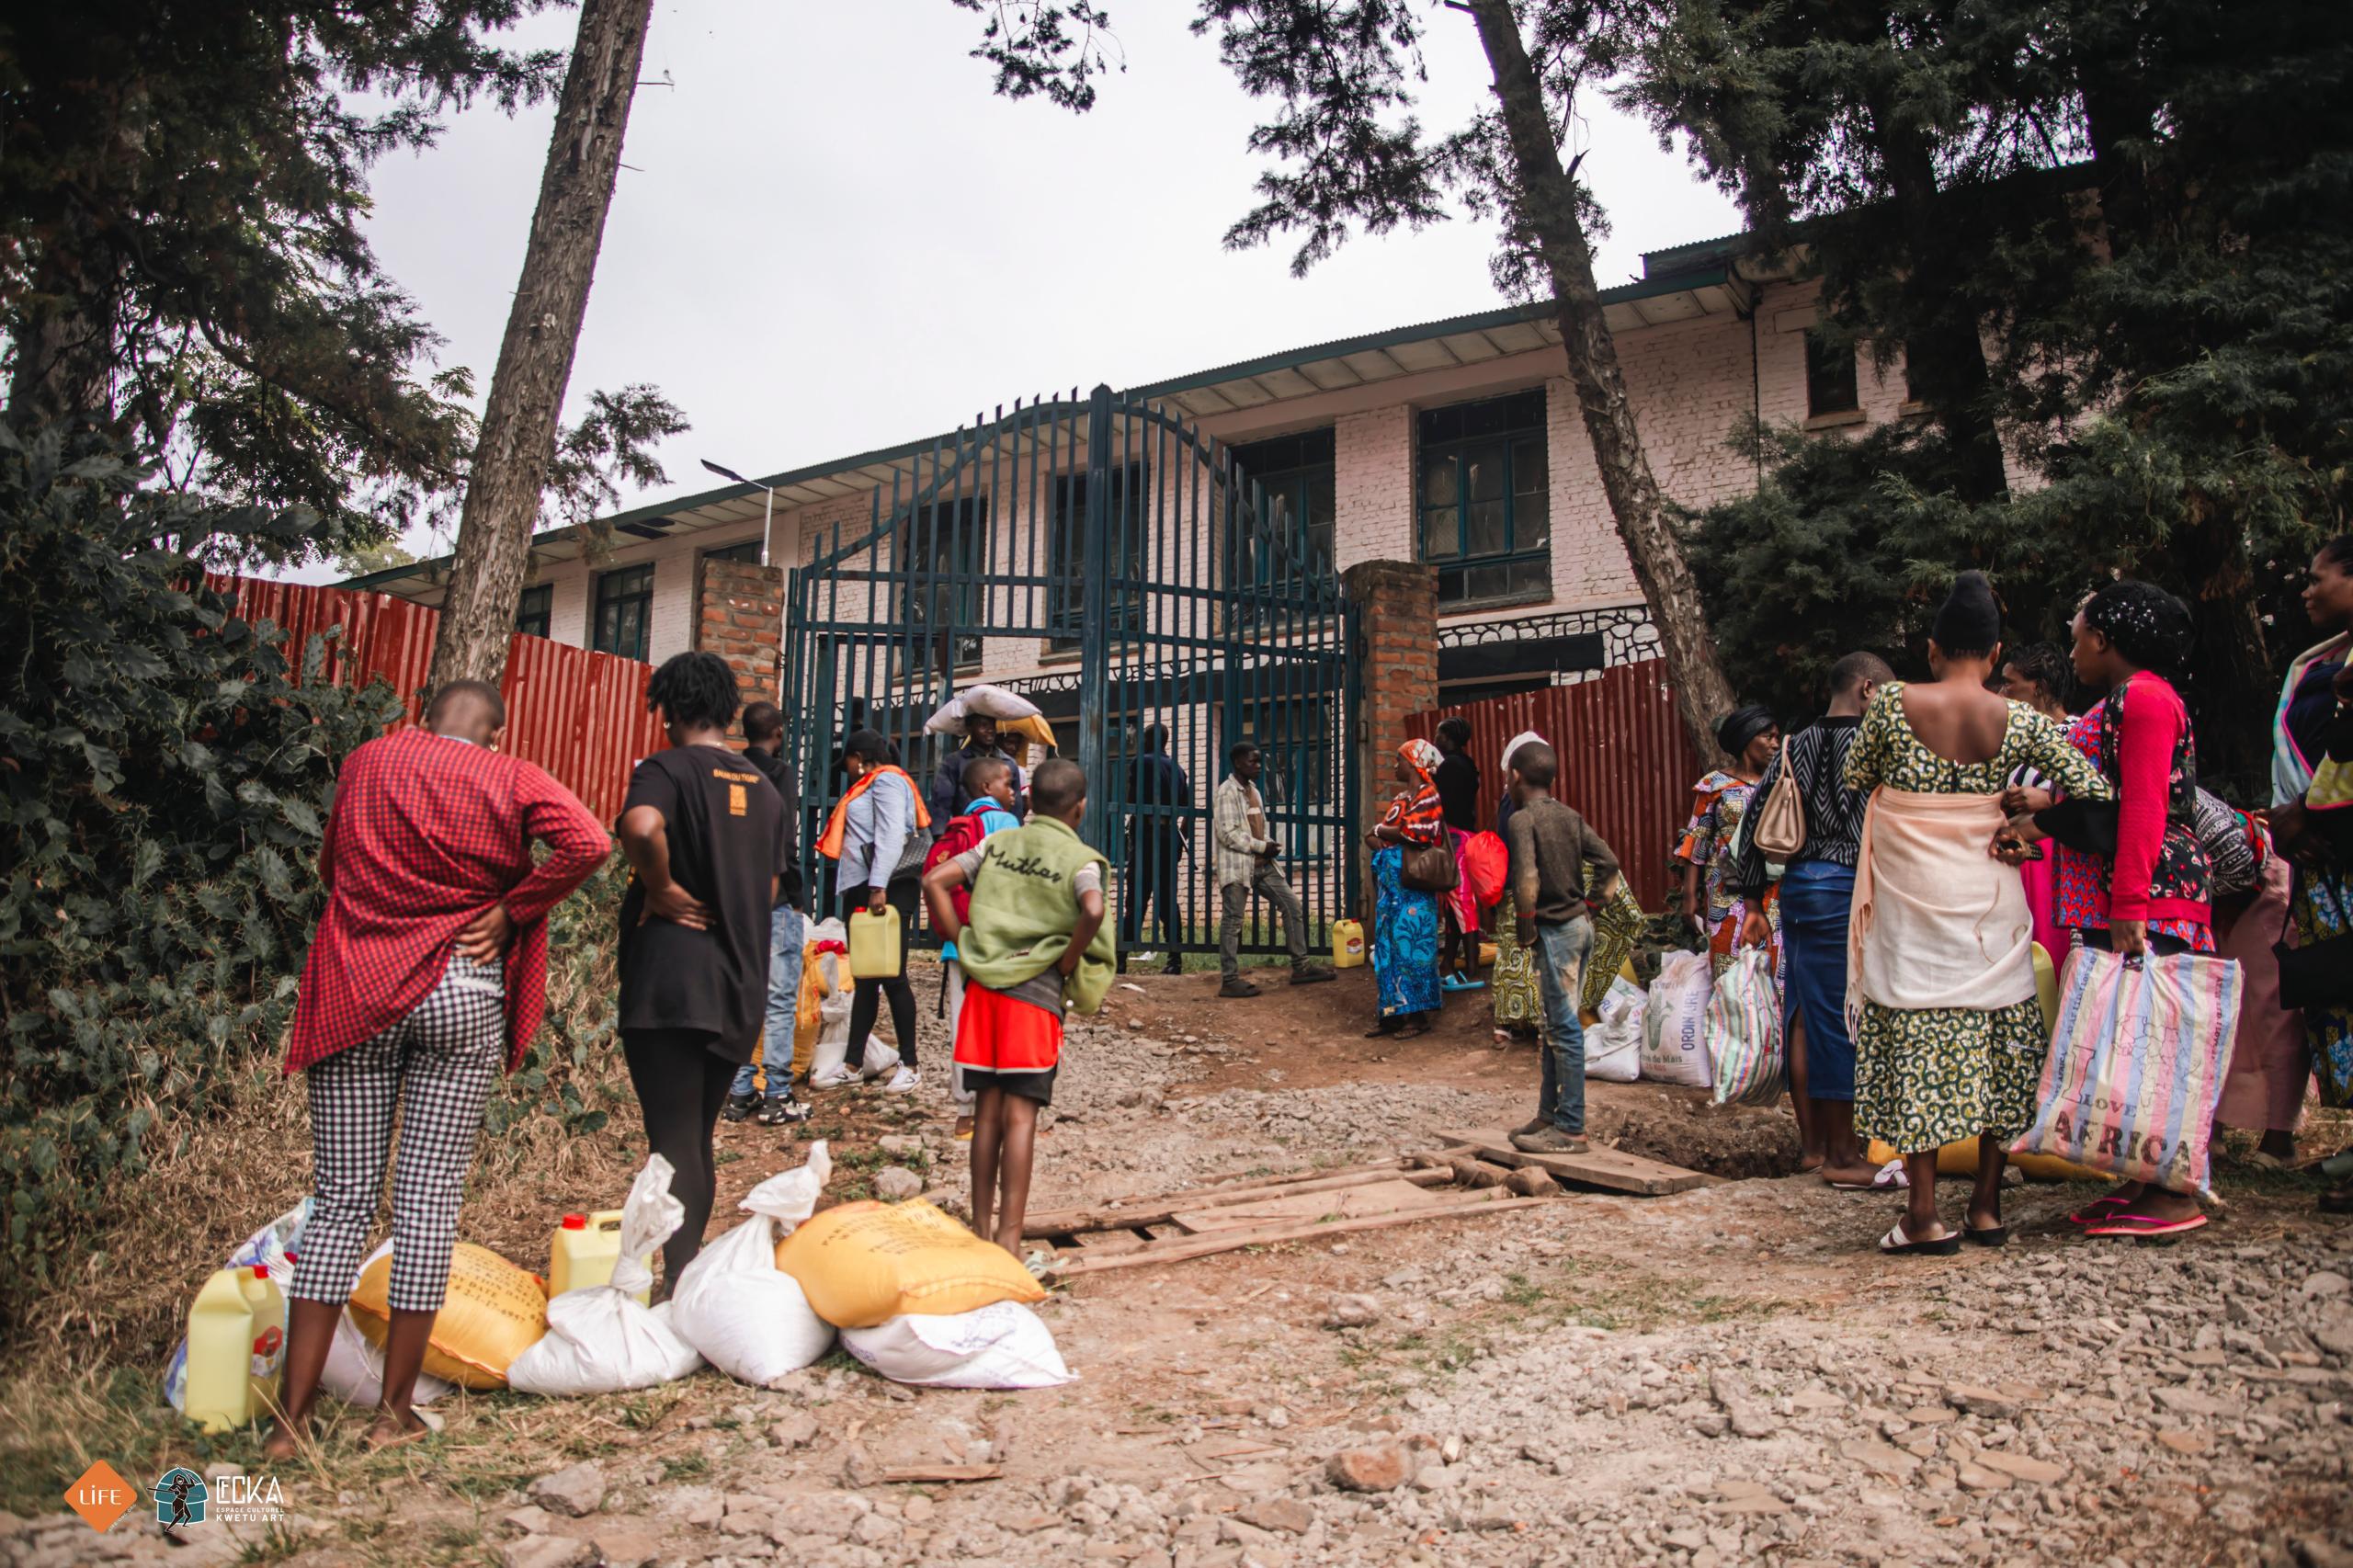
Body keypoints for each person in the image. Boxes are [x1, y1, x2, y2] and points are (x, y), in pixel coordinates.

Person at [267, 680, 608, 1457]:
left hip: (357, 990)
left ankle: (290, 1426)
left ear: (421, 719)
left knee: (342, 1202)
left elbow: (331, 867)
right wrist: (513, 909)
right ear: (495, 733)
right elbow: (589, 841)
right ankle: (392, 1415)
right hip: (462, 989)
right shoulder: (511, 775)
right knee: (426, 1203)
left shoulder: (368, 761)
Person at [1846, 571, 2114, 1256]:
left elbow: (1855, 780)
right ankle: (1987, 1208)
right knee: (2001, 1040)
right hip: (1991, 907)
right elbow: (2093, 787)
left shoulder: (1892, 703)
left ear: (1932, 648)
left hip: (1911, 907)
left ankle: (1923, 1215)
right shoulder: (2019, 720)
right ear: (1996, 656)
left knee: (1918, 1040)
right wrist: (2035, 814)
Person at [2006, 583, 2218, 1237]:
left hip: (2151, 894)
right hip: (2127, 893)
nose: (2072, 651)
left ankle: (2173, 1195)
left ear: (2103, 639)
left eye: (2077, 638)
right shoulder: (2127, 698)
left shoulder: (2145, 698)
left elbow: (2146, 804)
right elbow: (2108, 797)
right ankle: (2141, 1181)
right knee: (2127, 1040)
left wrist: (2129, 903)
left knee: (2154, 1044)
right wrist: (2044, 815)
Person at [615, 653, 791, 1285]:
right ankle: (683, 1282)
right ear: (726, 711)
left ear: (669, 711)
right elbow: (770, 889)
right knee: (696, 1138)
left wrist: (660, 887)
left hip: (670, 978)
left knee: (671, 1139)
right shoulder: (765, 789)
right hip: (737, 983)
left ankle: (675, 1287)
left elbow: (641, 826)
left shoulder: (665, 769)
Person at [922, 758, 1114, 1254]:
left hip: (984, 992)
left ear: (1029, 800)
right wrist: (1066, 962)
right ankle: (1008, 1243)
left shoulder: (997, 844)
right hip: (1034, 1000)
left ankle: (980, 1233)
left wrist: (965, 944)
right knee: (1021, 1118)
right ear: (1080, 808)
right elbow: (1093, 908)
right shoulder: (1081, 860)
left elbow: (935, 881)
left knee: (986, 1114)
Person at [1728, 652, 1893, 1187]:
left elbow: (1755, 822)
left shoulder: (1794, 745)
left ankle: (1814, 1146)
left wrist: (1754, 902)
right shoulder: (1874, 743)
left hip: (1798, 889)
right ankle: (1844, 1155)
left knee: (1802, 1015)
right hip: (1847, 891)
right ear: (1866, 689)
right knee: (1840, 1018)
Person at [2270, 535, 2353, 1211]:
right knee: (2339, 999)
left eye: (2317, 577)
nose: (2306, 590)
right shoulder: (2319, 665)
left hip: (2336, 839)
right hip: (2325, 858)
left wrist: (2304, 811)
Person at [1502, 741, 1620, 1154]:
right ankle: (1548, 1116)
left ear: (1516, 776)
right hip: (1580, 928)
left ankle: (1571, 1129)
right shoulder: (1570, 816)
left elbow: (1527, 878)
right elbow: (1609, 863)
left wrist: (1525, 929)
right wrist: (1592, 905)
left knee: (1564, 1029)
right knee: (1556, 1023)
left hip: (1555, 932)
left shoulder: (1522, 819)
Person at [817, 728, 930, 1092]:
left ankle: (910, 1064)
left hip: (886, 888)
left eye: (849, 761)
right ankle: (853, 1064)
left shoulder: (887, 781)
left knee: (893, 976)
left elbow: (891, 834)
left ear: (860, 758)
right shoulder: (871, 784)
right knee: (865, 977)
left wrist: (878, 886)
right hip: (868, 887)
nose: (848, 770)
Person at [722, 700, 811, 1127]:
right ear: (778, 733)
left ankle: (739, 1092)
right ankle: (777, 1094)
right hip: (773, 900)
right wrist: (796, 893)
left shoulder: (728, 771)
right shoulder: (779, 773)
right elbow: (785, 839)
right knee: (778, 1000)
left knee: (742, 997)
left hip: (732, 900)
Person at [927, 756, 1022, 1138]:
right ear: (987, 788)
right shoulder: (1005, 823)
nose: (1013, 791)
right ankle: (1001, 1110)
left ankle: (965, 1114)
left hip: (958, 945)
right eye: (1007, 783)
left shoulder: (957, 826)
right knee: (1003, 1025)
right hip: (996, 945)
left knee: (963, 1026)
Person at [1212, 743, 1336, 997]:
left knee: (1292, 907)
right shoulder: (1227, 792)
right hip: (1238, 866)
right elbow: (1227, 834)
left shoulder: (1254, 791)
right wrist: (1262, 846)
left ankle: (1301, 968)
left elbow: (1256, 828)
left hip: (1263, 865)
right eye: (1253, 761)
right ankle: (1230, 980)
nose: (1259, 766)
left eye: (1260, 761)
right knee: (1232, 921)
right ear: (1237, 763)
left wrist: (1269, 844)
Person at [1677, 704, 1781, 971]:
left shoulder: (1781, 784)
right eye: (1768, 737)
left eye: (1777, 738)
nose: (1775, 744)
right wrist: (1689, 895)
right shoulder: (1715, 785)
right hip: (1727, 892)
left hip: (1774, 893)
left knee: (1775, 971)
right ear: (1747, 738)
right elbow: (1697, 839)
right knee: (1730, 973)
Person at [1997, 642, 2075, 961]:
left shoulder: (2078, 734)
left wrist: (2046, 799)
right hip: (2013, 860)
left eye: (2010, 684)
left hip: (2055, 869)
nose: (2002, 693)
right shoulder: (2011, 741)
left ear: (2038, 687)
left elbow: (2101, 801)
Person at [1366, 740, 1447, 1038]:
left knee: (1412, 950)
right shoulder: (1402, 798)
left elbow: (1415, 835)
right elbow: (1378, 835)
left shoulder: (1429, 795)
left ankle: (1417, 1017)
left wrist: (1382, 832)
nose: (1394, 765)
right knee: (1387, 950)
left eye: (1399, 760)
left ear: (1413, 763)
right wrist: (1383, 835)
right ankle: (1391, 1015)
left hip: (1413, 889)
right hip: (1391, 890)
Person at [1489, 731, 1547, 1041]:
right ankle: (1536, 1023)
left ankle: (1507, 1023)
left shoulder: (1506, 802)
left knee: (1511, 955)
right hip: (1528, 888)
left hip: (1510, 887)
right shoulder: (1528, 804)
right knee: (1533, 954)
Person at [1123, 723, 1192, 972]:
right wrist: (1180, 840)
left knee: (1136, 898)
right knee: (1167, 901)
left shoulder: (1141, 762)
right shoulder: (1178, 769)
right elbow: (1188, 810)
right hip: (1168, 838)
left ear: (1148, 740)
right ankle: (1175, 960)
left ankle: (1120, 958)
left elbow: (1131, 801)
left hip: (1146, 836)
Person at [1432, 717, 1485, 992]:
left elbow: (1442, 805)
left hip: (1455, 839)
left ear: (1448, 737)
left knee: (1462, 902)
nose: (1435, 739)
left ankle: (1473, 969)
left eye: (1439, 734)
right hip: (1465, 836)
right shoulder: (1467, 764)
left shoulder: (1450, 766)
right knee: (1455, 904)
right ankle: (1448, 963)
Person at [928, 710, 1025, 825]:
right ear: (970, 728)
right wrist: (941, 833)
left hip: (1002, 830)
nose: (990, 730)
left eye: (993, 725)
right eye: (984, 725)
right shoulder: (954, 762)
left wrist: (1018, 830)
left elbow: (1017, 806)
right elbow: (942, 804)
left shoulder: (1009, 763)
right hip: (966, 829)